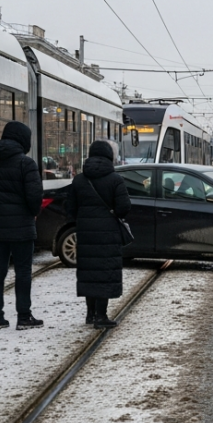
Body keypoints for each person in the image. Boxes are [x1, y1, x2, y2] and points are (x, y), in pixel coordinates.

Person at [0, 121, 44, 331]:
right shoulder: (26, 163)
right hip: (22, 226)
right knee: (23, 272)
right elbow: (34, 196)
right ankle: (24, 316)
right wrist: (32, 213)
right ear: (23, 140)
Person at [65, 141, 131, 329]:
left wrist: (82, 220)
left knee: (89, 272)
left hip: (85, 233)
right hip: (108, 234)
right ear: (109, 156)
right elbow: (124, 207)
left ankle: (90, 314)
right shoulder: (115, 179)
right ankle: (101, 316)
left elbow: (69, 208)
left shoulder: (79, 180)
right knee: (105, 272)